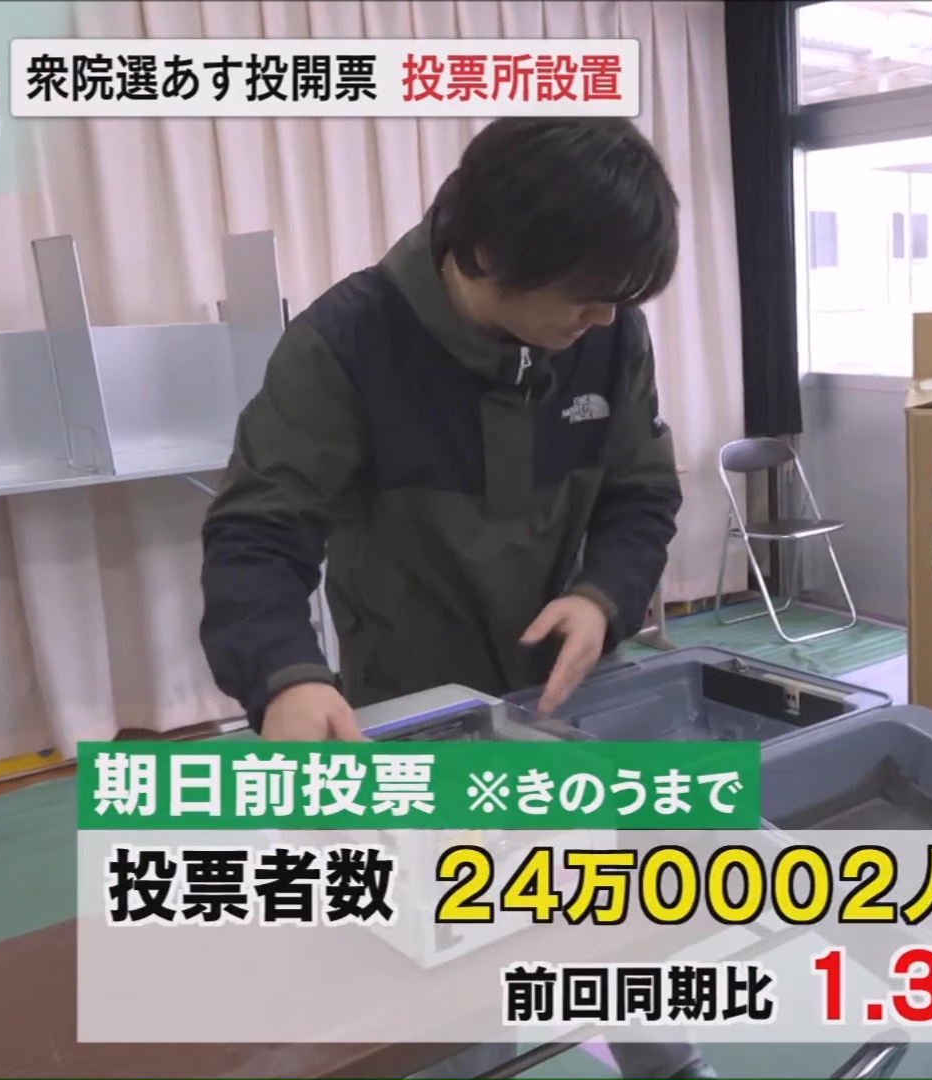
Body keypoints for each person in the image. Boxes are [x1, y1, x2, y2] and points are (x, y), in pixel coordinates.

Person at [198, 118, 712, 1080]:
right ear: (486, 254)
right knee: (455, 973)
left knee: (627, 914)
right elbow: (257, 534)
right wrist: (284, 677)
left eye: (620, 297)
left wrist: (603, 597)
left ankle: (665, 1060)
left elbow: (642, 495)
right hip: (416, 710)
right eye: (587, 294)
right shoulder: (346, 345)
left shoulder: (607, 336)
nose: (605, 318)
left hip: (570, 697)